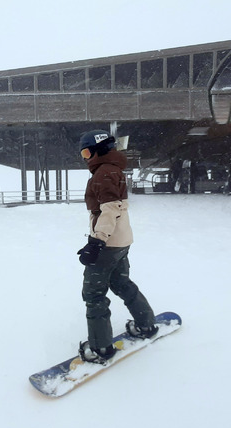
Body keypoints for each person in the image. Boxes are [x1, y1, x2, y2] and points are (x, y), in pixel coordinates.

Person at [76, 130, 157, 364]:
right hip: (121, 240)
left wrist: (97, 241)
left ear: (98, 150)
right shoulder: (114, 169)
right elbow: (116, 207)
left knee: (94, 294)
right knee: (121, 282)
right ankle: (146, 323)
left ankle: (101, 348)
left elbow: (110, 208)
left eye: (86, 152)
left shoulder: (104, 173)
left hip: (108, 244)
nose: (85, 157)